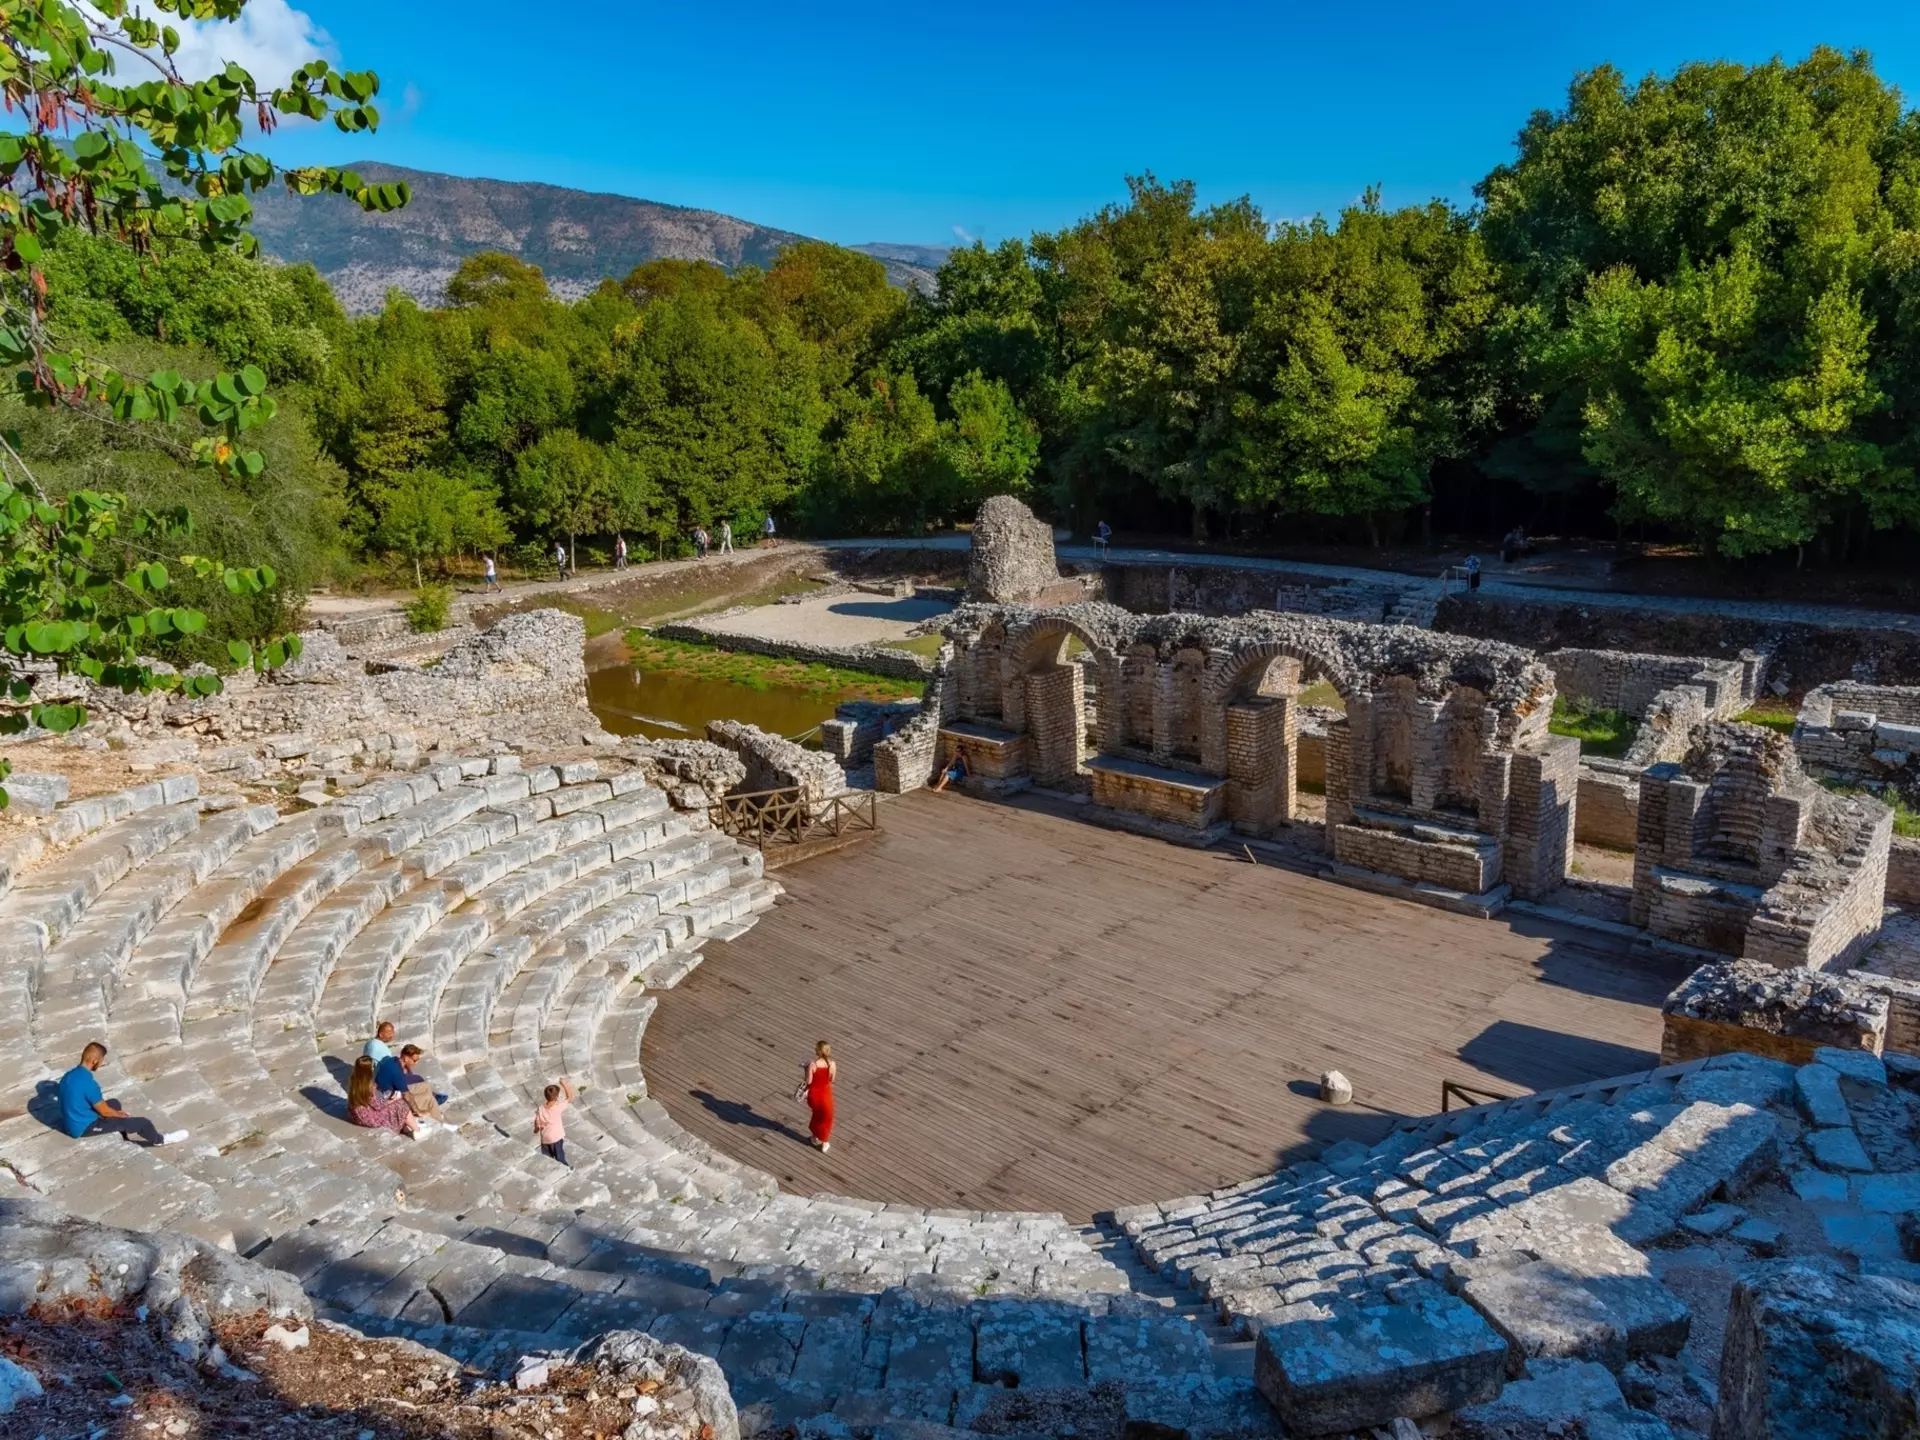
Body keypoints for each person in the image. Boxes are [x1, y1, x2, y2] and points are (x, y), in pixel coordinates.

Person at [58, 1042, 184, 1146]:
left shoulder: (68, 1076)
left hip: (73, 1118)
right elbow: (105, 1112)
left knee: (114, 1103)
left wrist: (114, 1112)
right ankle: (160, 1140)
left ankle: (123, 1136)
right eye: (102, 1060)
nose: (102, 1063)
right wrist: (119, 1114)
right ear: (95, 1061)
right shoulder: (89, 1083)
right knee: (142, 1123)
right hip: (83, 1127)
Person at [347, 1055, 417, 1138]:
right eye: (373, 1066)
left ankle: (406, 1127)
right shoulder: (368, 1085)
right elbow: (377, 1106)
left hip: (357, 1114)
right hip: (368, 1116)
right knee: (401, 1105)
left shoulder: (353, 1079)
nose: (374, 1067)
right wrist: (394, 1099)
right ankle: (417, 1130)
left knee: (392, 1103)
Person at [377, 1044, 444, 1122]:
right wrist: (419, 1112)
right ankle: (439, 1122)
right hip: (387, 1099)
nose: (416, 1063)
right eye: (414, 1060)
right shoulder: (397, 1073)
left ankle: (433, 1111)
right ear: (406, 1058)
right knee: (429, 1099)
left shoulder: (393, 1060)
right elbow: (407, 1096)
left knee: (425, 1086)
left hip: (390, 1092)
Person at [798, 1040, 835, 1153]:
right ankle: (825, 1142)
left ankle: (814, 1136)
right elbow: (832, 1079)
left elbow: (809, 1081)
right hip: (825, 1094)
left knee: (817, 1114)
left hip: (814, 1096)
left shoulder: (812, 1064)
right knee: (827, 1118)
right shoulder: (832, 1064)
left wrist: (806, 1069)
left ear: (817, 1051)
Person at [534, 1076, 574, 1166]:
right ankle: (567, 1169)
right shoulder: (557, 1107)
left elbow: (537, 1122)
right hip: (556, 1138)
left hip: (545, 1139)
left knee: (548, 1159)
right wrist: (564, 1084)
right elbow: (570, 1097)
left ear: (545, 1096)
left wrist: (536, 1128)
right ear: (557, 1097)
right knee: (560, 1157)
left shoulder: (540, 1108)